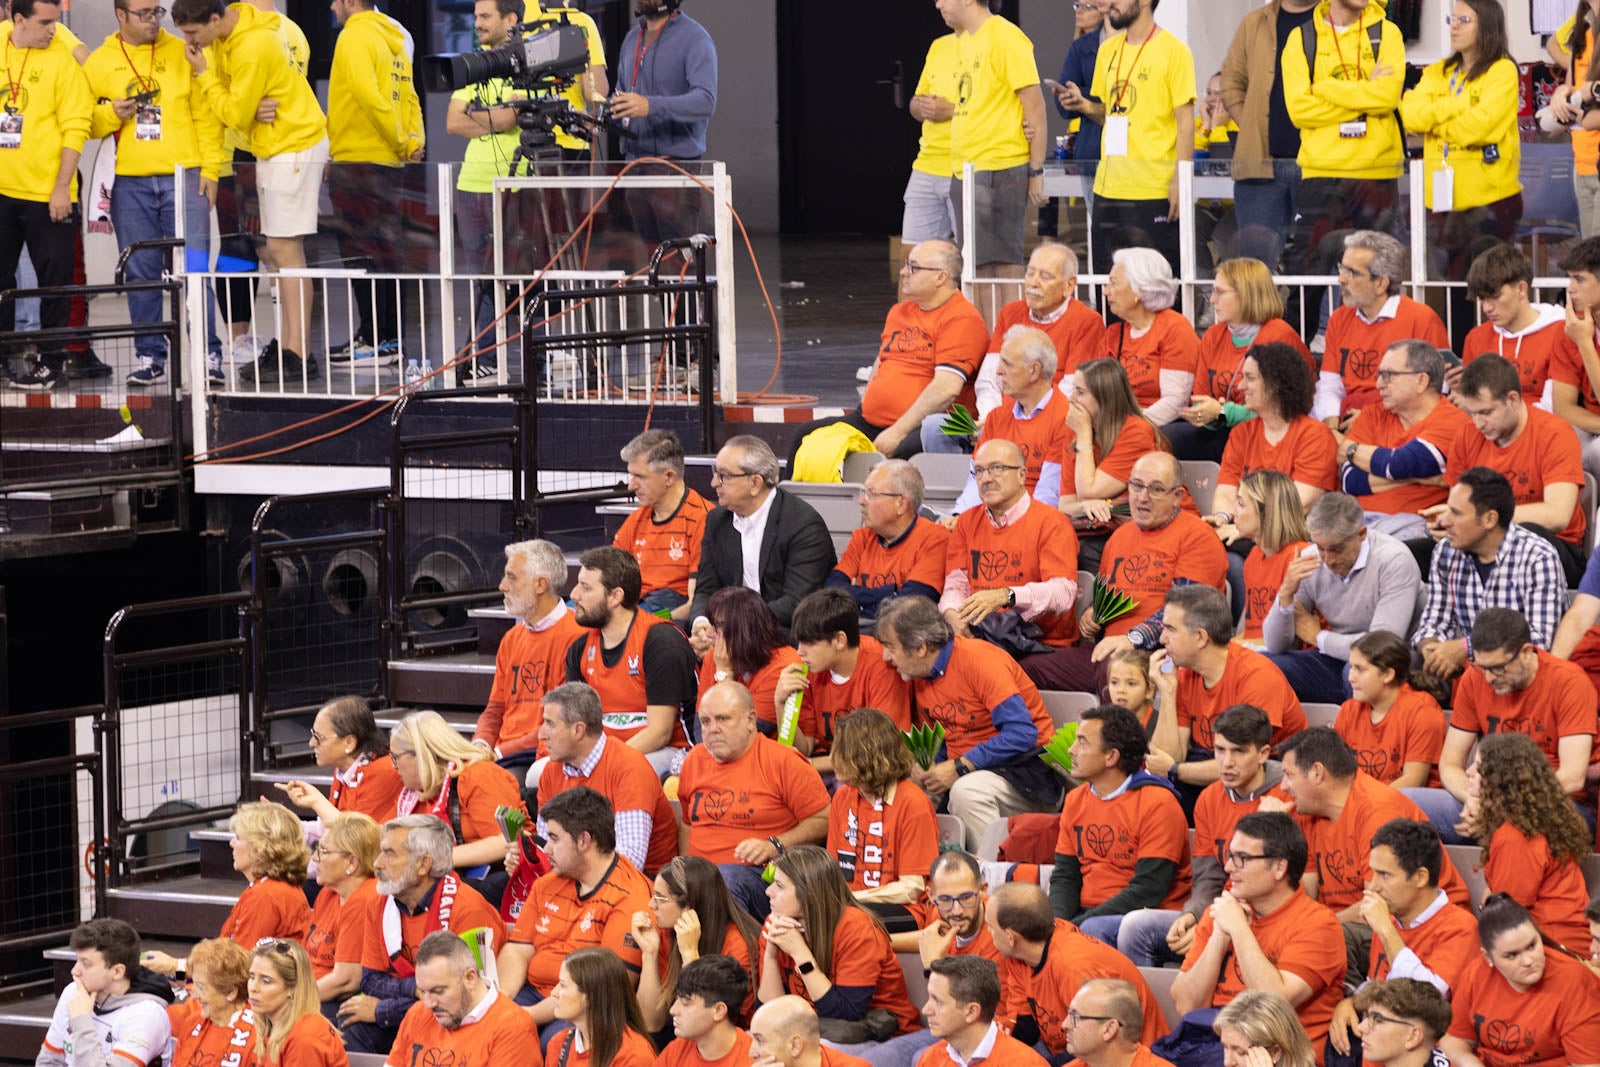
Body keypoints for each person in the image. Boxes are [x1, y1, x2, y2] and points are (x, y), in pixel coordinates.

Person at [173, 0, 329, 387]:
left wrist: (207, 76)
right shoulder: (230, 34)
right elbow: (235, 109)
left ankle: (298, 351)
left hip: (293, 145)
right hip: (273, 147)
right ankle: (290, 345)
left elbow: (233, 114)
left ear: (214, 19)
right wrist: (237, 101)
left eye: (193, 34)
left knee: (286, 250)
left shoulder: (251, 47)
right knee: (277, 252)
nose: (189, 42)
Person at [85, 0, 223, 387]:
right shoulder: (100, 61)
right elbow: (83, 119)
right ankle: (150, 355)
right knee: (141, 274)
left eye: (156, 12)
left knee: (195, 268)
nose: (153, 21)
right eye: (144, 13)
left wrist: (210, 170)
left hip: (186, 176)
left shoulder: (185, 51)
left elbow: (207, 115)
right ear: (120, 15)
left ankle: (209, 355)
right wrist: (112, 113)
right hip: (131, 183)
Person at [1021, 451, 1228, 696]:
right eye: (1136, 486)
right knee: (1024, 670)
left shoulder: (1198, 537)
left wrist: (1132, 639)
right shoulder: (1119, 536)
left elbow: (1187, 612)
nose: (1142, 497)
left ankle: (1115, 734)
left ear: (1177, 497)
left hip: (1163, 654)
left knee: (1117, 672)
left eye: (1156, 489)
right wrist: (1093, 614)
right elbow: (1108, 595)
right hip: (1111, 648)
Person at [1271, 728, 1470, 977]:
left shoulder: (1377, 810)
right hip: (1354, 925)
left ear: (1317, 772)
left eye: (1289, 775)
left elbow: (1377, 907)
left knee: (1325, 939)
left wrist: (1311, 926)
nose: (1283, 786)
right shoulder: (1306, 813)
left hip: (1419, 929)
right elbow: (1306, 896)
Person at [876, 596, 1061, 849]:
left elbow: (1022, 733)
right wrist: (929, 768)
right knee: (894, 790)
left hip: (1028, 774)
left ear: (919, 648)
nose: (886, 657)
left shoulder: (980, 661)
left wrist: (960, 767)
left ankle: (993, 878)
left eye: (890, 646)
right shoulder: (920, 674)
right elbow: (949, 735)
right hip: (971, 770)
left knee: (967, 792)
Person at [1410, 607, 1598, 844]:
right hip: (1488, 799)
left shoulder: (1569, 681)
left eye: (1498, 668)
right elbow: (1450, 764)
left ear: (1527, 652)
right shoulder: (1475, 678)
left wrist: (1501, 805)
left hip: (1554, 803)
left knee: (1516, 830)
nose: (1489, 678)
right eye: (1482, 667)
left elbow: (1572, 777)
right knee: (1395, 804)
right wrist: (1473, 799)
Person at [790, 242, 988, 467]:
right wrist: (866, 406)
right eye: (906, 265)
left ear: (940, 277)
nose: (904, 272)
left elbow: (946, 390)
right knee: (806, 435)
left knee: (906, 449)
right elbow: (881, 363)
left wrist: (896, 432)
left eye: (913, 267)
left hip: (924, 427)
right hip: (871, 421)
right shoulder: (899, 312)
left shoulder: (962, 319)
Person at [1119, 705, 1288, 968]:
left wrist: (1211, 925)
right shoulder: (1209, 798)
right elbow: (1209, 878)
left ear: (1263, 753)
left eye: (1239, 751)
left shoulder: (1286, 797)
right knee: (1136, 927)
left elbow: (1290, 886)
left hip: (1268, 920)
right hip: (1221, 913)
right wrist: (1194, 916)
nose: (1227, 762)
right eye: (1220, 750)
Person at [1283, 0, 1408, 351]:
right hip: (1321, 173)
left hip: (1376, 173)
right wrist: (1362, 93)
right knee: (1304, 282)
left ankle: (1383, 361)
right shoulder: (1302, 38)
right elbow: (1298, 109)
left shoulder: (1387, 33)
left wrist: (1324, 88)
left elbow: (1385, 97)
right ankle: (1289, 369)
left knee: (1379, 280)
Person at [1167, 813, 1346, 1058]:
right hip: (1211, 1045)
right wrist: (1219, 936)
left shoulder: (1319, 924)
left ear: (1279, 867)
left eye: (1242, 858)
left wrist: (1239, 929)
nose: (1228, 867)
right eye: (1230, 856)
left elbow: (1274, 1002)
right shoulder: (1221, 913)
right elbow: (1187, 1005)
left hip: (1276, 1055)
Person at [1400, 0, 1522, 350]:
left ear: (1486, 25)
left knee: (1494, 287)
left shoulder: (1502, 71)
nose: (1454, 26)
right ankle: (1461, 360)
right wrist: (1458, 107)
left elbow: (1481, 127)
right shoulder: (1438, 70)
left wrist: (1437, 120)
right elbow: (1411, 115)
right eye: (1452, 19)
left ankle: (1499, 358)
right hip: (1444, 199)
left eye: (1463, 20)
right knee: (1456, 287)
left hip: (1491, 199)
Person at [344, 814, 506, 1053]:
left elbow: (468, 1001)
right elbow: (370, 980)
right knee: (348, 1028)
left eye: (389, 853)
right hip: (414, 1013)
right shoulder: (377, 902)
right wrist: (414, 990)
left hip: (460, 1024)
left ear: (423, 864)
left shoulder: (468, 910)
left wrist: (383, 1010)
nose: (377, 863)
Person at [497, 787, 654, 1027]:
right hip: (531, 993)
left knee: (547, 1042)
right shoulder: (549, 882)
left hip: (585, 1010)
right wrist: (501, 1002)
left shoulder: (630, 899)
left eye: (554, 838)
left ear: (584, 840)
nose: (546, 849)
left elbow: (605, 988)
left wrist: (527, 1017)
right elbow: (517, 949)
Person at [1059, 0, 1195, 274]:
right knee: (1108, 285)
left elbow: (1185, 122)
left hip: (1153, 188)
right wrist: (1083, 105)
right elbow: (1109, 111)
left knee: (1157, 286)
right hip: (1107, 188)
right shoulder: (1108, 50)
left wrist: (1180, 179)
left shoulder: (1174, 51)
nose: (1109, 4)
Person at [1325, 822, 1477, 1063]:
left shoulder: (1460, 928)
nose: (1373, 885)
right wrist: (1351, 1001)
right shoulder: (1391, 920)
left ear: (1420, 877)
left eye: (1385, 875)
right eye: (1372, 872)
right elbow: (1377, 983)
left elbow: (1425, 1000)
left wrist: (1386, 930)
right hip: (1377, 1047)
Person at [677, 681, 830, 920]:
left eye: (723, 719)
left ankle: (732, 957)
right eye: (705, 722)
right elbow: (687, 824)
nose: (712, 729)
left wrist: (775, 844)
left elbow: (826, 818)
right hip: (701, 877)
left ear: (751, 720)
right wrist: (683, 870)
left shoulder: (782, 761)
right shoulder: (693, 760)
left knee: (725, 881)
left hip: (762, 880)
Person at [323, 0, 423, 364]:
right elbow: (409, 95)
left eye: (336, 1)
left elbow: (369, 97)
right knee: (388, 253)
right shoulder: (395, 37)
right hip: (390, 163)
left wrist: (400, 139)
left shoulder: (353, 36)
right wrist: (413, 140)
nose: (333, 7)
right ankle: (389, 340)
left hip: (357, 160)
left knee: (360, 254)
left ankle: (373, 340)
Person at [0, 0, 91, 392]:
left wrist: (61, 188)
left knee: (54, 282)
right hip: (4, 190)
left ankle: (52, 362)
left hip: (47, 193)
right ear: (16, 19)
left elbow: (77, 127)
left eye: (56, 20)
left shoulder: (61, 60)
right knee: (2, 281)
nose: (53, 29)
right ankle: (5, 358)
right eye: (45, 22)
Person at [1261, 492, 1423, 705]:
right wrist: (1285, 595)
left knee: (1360, 672)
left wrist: (1318, 638)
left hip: (1396, 662)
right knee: (1263, 666)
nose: (1327, 559)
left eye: (1336, 549)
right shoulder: (1311, 559)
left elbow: (1381, 650)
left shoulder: (1393, 559)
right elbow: (1275, 645)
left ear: (1361, 534)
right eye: (1320, 547)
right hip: (1339, 658)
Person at [1051, 705, 1191, 948]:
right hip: (1085, 916)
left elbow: (1149, 890)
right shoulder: (1075, 800)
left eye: (1082, 743)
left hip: (1144, 916)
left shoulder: (1158, 803)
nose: (1071, 750)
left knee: (1091, 929)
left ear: (1111, 756)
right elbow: (1065, 875)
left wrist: (1077, 926)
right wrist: (1056, 924)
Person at [1441, 354, 1587, 585]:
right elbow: (1458, 504)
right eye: (1473, 413)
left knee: (1526, 534)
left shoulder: (1555, 433)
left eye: (1486, 412)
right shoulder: (1467, 435)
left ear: (1512, 399)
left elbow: (1557, 516)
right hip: (1481, 541)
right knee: (1410, 553)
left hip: (1554, 547)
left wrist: (1481, 520)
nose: (1478, 423)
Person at [1148, 584, 1305, 793]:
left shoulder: (1257, 677)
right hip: (1212, 767)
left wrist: (1175, 770)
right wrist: (1167, 692)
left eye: (1170, 629)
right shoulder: (1185, 674)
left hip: (1266, 782)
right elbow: (1164, 761)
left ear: (1201, 637)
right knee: (1158, 792)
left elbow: (1240, 764)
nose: (1162, 639)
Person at [1412, 470, 1568, 679]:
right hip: (1472, 675)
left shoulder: (1538, 557)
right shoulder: (1445, 552)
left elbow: (1540, 642)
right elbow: (1434, 621)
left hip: (1527, 678)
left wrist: (1466, 648)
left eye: (1456, 513)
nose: (1445, 520)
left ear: (1489, 519)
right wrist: (1432, 648)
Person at [986, 882, 1168, 1056]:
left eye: (991, 927)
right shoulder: (1019, 957)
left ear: (1011, 937)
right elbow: (1026, 1027)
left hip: (1125, 1055)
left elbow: (1099, 1047)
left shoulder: (1072, 965)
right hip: (1069, 1047)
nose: (989, 933)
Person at [758, 845, 921, 1038]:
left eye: (779, 886)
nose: (768, 891)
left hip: (884, 1033)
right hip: (815, 1032)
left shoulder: (856, 928)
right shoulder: (776, 923)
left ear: (808, 893)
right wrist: (770, 956)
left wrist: (800, 953)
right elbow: (770, 1013)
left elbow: (846, 1013)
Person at [941, 0, 1047, 288]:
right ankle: (989, 332)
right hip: (966, 168)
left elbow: (1035, 108)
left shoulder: (1005, 36)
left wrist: (1036, 172)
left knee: (1002, 264)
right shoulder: (966, 41)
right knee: (975, 266)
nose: (938, 4)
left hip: (998, 166)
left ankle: (1007, 332)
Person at [444, 0, 523, 382]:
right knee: (479, 279)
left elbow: (513, 117)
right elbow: (452, 123)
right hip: (470, 183)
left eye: (485, 16)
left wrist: (476, 114)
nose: (477, 23)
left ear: (510, 20)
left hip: (514, 181)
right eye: (475, 17)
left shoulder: (524, 62)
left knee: (516, 275)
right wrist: (494, 119)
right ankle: (486, 356)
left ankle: (524, 359)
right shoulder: (473, 64)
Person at [568, 545, 698, 775]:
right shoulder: (579, 649)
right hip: (607, 751)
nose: (574, 595)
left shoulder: (660, 642)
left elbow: (660, 732)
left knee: (624, 772)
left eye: (585, 588)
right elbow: (577, 725)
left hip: (669, 750)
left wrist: (603, 764)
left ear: (615, 596)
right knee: (539, 773)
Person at [145, 800, 312, 979]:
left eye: (239, 838)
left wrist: (174, 967)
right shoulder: (270, 888)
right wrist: (176, 971)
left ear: (261, 848)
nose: (232, 843)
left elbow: (237, 971)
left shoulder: (266, 895)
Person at [940, 439, 1081, 650]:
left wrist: (1007, 596)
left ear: (1022, 475)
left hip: (1039, 642)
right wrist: (953, 615)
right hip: (980, 636)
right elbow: (956, 584)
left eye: (997, 468)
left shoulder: (1052, 522)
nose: (985, 478)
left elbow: (1063, 593)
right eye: (978, 471)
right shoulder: (966, 522)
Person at [1170, 257, 1311, 462]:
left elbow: (1282, 410)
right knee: (1163, 438)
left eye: (1220, 292)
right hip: (1222, 428)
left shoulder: (1279, 335)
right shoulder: (1213, 335)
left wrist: (1223, 412)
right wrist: (1207, 415)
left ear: (1247, 295)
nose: (1211, 300)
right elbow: (1200, 399)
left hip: (1270, 432)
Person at [534, 682, 679, 876]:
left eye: (550, 724)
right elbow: (547, 849)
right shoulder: (551, 772)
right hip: (577, 877)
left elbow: (629, 863)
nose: (541, 734)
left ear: (578, 730)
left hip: (641, 886)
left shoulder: (630, 769)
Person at [692, 436, 837, 629]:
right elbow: (705, 589)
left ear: (755, 483)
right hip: (729, 630)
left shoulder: (803, 525)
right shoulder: (717, 520)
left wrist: (735, 625)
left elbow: (797, 603)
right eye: (715, 472)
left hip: (780, 631)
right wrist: (701, 623)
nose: (713, 483)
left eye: (723, 476)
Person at [1466, 733, 1594, 950]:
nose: (1468, 772)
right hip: (1549, 941)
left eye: (1478, 767)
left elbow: (1507, 915)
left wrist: (1488, 902)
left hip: (1553, 949)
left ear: (1500, 780)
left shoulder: (1515, 837)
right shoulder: (1532, 819)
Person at [1440, 894, 1600, 1067]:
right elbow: (1454, 1040)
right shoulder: (1476, 973)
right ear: (1488, 957)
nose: (1528, 961)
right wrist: (1469, 1062)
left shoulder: (1575, 981)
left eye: (1532, 946)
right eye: (1512, 955)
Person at [1218, 0, 1319, 274]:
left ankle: (1316, 320)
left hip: (1318, 166)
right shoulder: (1254, 23)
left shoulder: (1334, 22)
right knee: (1255, 268)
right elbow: (1231, 82)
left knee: (1319, 264)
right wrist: (1250, 123)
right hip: (1259, 166)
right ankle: (1265, 319)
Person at [1311, 233, 1449, 425]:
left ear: (1381, 283)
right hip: (1344, 422)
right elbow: (1330, 385)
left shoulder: (1422, 320)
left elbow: (1435, 392)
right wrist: (1332, 427)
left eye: (1352, 272)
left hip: (1397, 426)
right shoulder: (1339, 318)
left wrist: (1373, 419)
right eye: (1341, 268)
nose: (1341, 279)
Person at [610, 0, 717, 248]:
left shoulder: (695, 38)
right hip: (634, 170)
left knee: (681, 266)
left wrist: (651, 106)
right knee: (650, 264)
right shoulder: (631, 39)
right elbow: (622, 93)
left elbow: (705, 100)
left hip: (674, 170)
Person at [1340, 341, 1471, 540]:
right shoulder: (1372, 414)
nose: (1378, 384)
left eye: (1388, 375)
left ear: (1421, 381)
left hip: (1412, 526)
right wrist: (1419, 478)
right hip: (1356, 521)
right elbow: (1350, 480)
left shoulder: (1453, 422)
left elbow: (1398, 464)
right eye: (1379, 376)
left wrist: (1354, 452)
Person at [1055, 358, 1176, 574]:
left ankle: (1101, 607)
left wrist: (1083, 435)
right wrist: (1086, 506)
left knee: (1087, 550)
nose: (1071, 399)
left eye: (1080, 392)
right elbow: (1065, 504)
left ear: (1104, 398)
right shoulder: (1076, 431)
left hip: (1158, 524)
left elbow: (1088, 490)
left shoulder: (1136, 432)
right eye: (1073, 390)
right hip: (1111, 526)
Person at [825, 707, 940, 928]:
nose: (831, 759)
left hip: (905, 909)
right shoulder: (842, 797)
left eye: (839, 750)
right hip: (850, 904)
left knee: (845, 921)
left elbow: (911, 888)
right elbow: (834, 873)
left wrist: (852, 900)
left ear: (865, 754)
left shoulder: (912, 802)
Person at [1211, 343, 1340, 538]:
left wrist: (1243, 528)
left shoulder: (1316, 436)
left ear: (1275, 384)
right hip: (1245, 531)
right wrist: (1221, 518)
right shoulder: (1241, 434)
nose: (1240, 386)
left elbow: (1297, 505)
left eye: (1250, 378)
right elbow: (1225, 492)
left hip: (1293, 538)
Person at [473, 539, 586, 762]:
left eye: (511, 577)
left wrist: (497, 754)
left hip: (542, 754)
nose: (502, 586)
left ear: (540, 585)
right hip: (503, 754)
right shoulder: (511, 639)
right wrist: (480, 744)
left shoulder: (577, 636)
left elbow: (561, 724)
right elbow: (495, 708)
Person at [965, 243, 1106, 422]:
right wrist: (993, 418)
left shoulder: (1087, 322)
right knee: (937, 427)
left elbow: (1071, 390)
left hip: (1051, 423)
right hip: (998, 420)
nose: (1033, 283)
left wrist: (1027, 421)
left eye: (1045, 276)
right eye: (1030, 273)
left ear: (1069, 285)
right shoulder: (1009, 313)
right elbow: (988, 380)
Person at [779, 588, 913, 771]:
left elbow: (880, 751)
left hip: (874, 770)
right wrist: (781, 704)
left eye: (809, 643)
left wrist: (806, 766)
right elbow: (804, 748)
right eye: (799, 643)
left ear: (839, 640)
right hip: (829, 766)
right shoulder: (807, 667)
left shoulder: (882, 665)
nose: (800, 652)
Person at [390, 710, 528, 886]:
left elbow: (507, 841)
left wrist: (436, 858)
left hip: (499, 880)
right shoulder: (413, 793)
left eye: (395, 757)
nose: (393, 767)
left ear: (421, 753)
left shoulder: (479, 774)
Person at [632, 855, 761, 1038]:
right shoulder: (668, 931)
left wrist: (690, 955)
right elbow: (650, 1023)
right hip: (684, 1031)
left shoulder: (740, 946)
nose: (651, 904)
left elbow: (712, 1024)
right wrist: (649, 953)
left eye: (660, 897)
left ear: (690, 906)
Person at [946, 328, 1071, 512]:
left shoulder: (1066, 418)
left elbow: (1048, 496)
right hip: (990, 519)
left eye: (1007, 364)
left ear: (1034, 371)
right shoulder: (997, 417)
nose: (998, 371)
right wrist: (960, 516)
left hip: (1033, 526)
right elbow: (976, 480)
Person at [384, 929, 539, 1067]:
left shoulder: (513, 1028)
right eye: (423, 992)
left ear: (470, 978)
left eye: (438, 991)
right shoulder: (416, 1015)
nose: (429, 1004)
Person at [37, 918, 172, 1067]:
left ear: (117, 971)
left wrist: (81, 1022)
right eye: (77, 961)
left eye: (86, 964)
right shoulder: (73, 993)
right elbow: (49, 1062)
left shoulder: (146, 1014)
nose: (74, 971)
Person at [828, 461, 949, 618]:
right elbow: (832, 591)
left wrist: (857, 601)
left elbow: (910, 606)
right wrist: (889, 592)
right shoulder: (862, 537)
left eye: (871, 494)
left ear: (901, 504)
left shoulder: (935, 539)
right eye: (863, 493)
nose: (861, 501)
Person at [614, 429, 712, 621]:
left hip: (667, 609)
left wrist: (644, 623)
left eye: (639, 477)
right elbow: (608, 577)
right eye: (630, 475)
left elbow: (693, 606)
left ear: (669, 477)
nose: (631, 486)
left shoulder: (701, 519)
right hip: (632, 603)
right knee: (572, 615)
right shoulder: (636, 519)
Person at [1098, 248, 1198, 428]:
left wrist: (1129, 427)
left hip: (1161, 425)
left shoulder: (1174, 328)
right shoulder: (1113, 334)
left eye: (1113, 284)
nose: (1106, 292)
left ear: (1141, 290)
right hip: (1117, 425)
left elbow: (1175, 402)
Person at [1333, 632, 1448, 788]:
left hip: (1409, 804)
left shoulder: (1422, 711)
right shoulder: (1349, 709)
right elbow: (1336, 772)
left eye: (1359, 669)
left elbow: (1413, 782)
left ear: (1387, 675)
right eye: (1351, 667)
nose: (1350, 677)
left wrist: (1361, 802)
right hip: (1363, 799)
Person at [1458, 243, 1564, 410]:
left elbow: (1557, 408)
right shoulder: (1476, 338)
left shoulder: (1559, 332)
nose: (1487, 308)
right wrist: (1460, 392)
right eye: (1481, 299)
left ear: (1521, 289)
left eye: (1495, 296)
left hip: (1544, 429)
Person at [274, 694, 404, 824]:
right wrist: (284, 825)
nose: (311, 743)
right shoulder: (345, 769)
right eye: (313, 735)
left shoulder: (383, 770)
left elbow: (357, 838)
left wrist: (317, 801)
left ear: (349, 742)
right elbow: (329, 828)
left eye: (319, 737)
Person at [695, 588, 803, 732]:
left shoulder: (784, 666)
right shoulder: (714, 657)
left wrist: (724, 673)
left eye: (718, 626)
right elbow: (699, 727)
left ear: (744, 630)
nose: (709, 634)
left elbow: (742, 734)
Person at [306, 812, 380, 1012]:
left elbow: (346, 981)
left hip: (336, 1003)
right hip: (312, 991)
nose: (314, 858)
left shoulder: (365, 898)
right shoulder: (327, 893)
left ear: (352, 863)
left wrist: (289, 1002)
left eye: (323, 851)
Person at [920, 956, 1050, 1067]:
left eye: (938, 1002)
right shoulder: (930, 1059)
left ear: (971, 1011)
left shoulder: (1025, 1063)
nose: (926, 1010)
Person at [901, 10, 959, 255]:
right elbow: (916, 102)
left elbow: (1008, 110)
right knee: (912, 257)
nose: (938, 5)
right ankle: (911, 296)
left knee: (974, 261)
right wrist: (922, 106)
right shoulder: (939, 46)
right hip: (926, 164)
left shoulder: (998, 42)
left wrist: (952, 110)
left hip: (966, 167)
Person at [547, 948, 657, 1067]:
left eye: (563, 985)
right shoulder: (558, 1044)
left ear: (591, 996)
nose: (554, 992)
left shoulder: (634, 1056)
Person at [1234, 471, 1310, 643]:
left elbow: (1291, 640)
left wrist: (1230, 650)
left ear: (1266, 512)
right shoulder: (1254, 557)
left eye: (1241, 504)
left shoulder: (1299, 556)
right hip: (1255, 655)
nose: (1233, 512)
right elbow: (1252, 633)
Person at [248, 939, 348, 1067]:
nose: (253, 988)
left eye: (266, 981)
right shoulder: (271, 1025)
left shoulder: (304, 1038)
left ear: (292, 988)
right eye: (251, 977)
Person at [165, 938, 256, 1067]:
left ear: (230, 991)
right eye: (194, 984)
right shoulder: (191, 1024)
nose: (194, 994)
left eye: (201, 987)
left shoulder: (258, 1037)